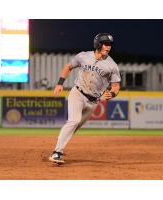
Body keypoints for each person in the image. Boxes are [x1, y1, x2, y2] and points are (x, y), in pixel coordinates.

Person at [49, 33, 121, 164]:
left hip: (93, 101)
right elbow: (68, 67)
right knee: (74, 121)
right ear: (98, 44)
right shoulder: (83, 56)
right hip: (78, 93)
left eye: (110, 45)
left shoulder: (112, 65)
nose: (108, 47)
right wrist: (60, 83)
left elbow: (116, 86)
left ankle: (60, 143)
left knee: (75, 126)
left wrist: (113, 94)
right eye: (105, 44)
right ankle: (57, 152)